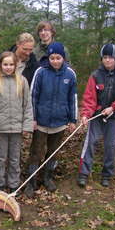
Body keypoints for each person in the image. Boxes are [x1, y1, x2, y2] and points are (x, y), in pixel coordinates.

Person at [0, 33, 39, 181]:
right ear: (18, 45)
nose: (28, 52)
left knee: (14, 155)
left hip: (16, 114)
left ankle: (13, 180)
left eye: (31, 49)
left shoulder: (31, 64)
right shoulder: (3, 59)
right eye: (25, 49)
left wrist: (27, 123)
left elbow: (28, 98)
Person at [25, 42, 77, 198]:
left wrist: (72, 119)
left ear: (63, 58)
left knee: (53, 152)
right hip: (41, 121)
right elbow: (32, 96)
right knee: (36, 152)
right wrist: (32, 118)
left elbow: (72, 98)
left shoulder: (70, 74)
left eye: (58, 58)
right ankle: (31, 181)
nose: (55, 61)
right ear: (48, 58)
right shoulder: (40, 72)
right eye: (52, 58)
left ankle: (48, 177)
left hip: (60, 121)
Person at [78, 43, 115, 188]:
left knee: (110, 145)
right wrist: (86, 114)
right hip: (97, 116)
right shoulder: (95, 75)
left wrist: (113, 107)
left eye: (110, 57)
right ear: (101, 59)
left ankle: (107, 174)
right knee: (90, 143)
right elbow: (89, 98)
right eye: (105, 57)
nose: (107, 60)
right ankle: (83, 173)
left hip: (113, 117)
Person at [0, 52, 33, 192]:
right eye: (5, 64)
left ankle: (13, 184)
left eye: (11, 64)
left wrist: (27, 125)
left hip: (17, 127)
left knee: (14, 158)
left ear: (16, 65)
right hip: (0, 128)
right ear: (0, 65)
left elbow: (27, 105)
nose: (8, 67)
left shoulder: (22, 81)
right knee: (0, 157)